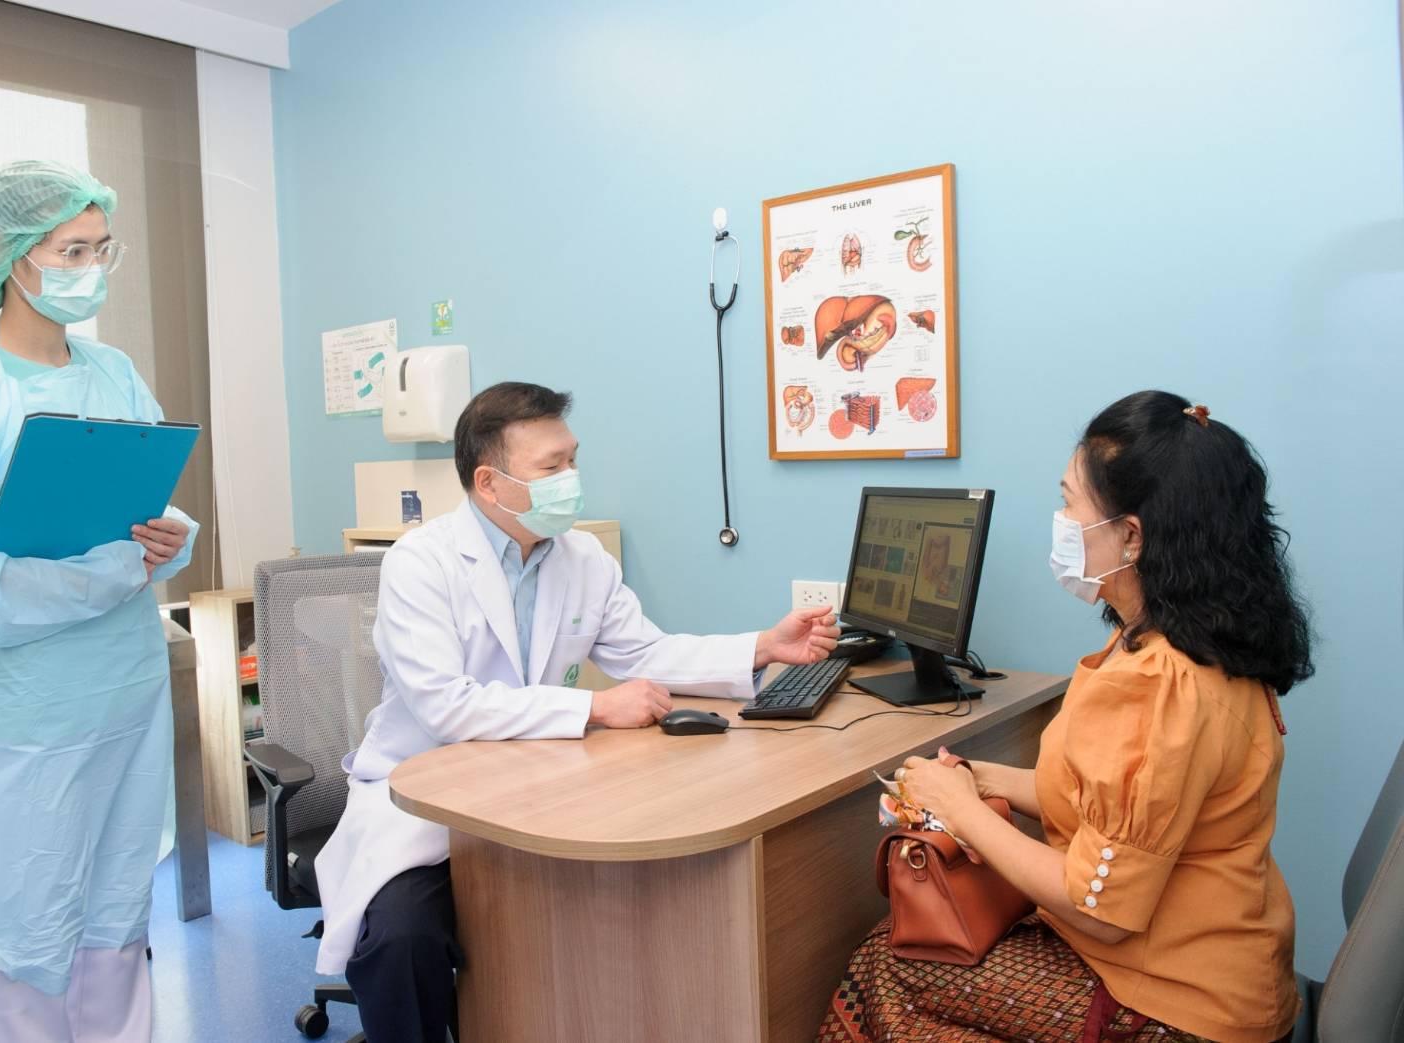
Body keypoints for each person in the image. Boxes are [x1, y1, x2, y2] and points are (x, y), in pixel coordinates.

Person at [314, 382, 841, 1043]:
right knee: (402, 940)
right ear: (489, 483)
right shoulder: (421, 563)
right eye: (552, 466)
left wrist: (765, 645)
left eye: (573, 459)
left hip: (537, 789)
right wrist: (594, 706)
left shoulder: (582, 557)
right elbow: (447, 706)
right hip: (424, 801)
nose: (572, 478)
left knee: (596, 914)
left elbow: (645, 652)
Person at [818, 391, 1312, 1043]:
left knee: (886, 962)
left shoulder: (1159, 686)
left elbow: (1098, 906)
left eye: (1070, 502)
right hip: (1230, 972)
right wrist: (977, 778)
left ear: (1130, 536)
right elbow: (1107, 805)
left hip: (1179, 1006)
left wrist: (959, 808)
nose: (1061, 520)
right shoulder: (1192, 648)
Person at [0, 160, 198, 1043]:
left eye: (101, 249)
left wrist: (169, 535)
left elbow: (149, 499)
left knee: (118, 913)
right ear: (12, 256)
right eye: (70, 250)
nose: (90, 269)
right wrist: (100, 574)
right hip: (30, 718)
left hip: (126, 692)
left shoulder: (114, 371)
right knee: (34, 928)